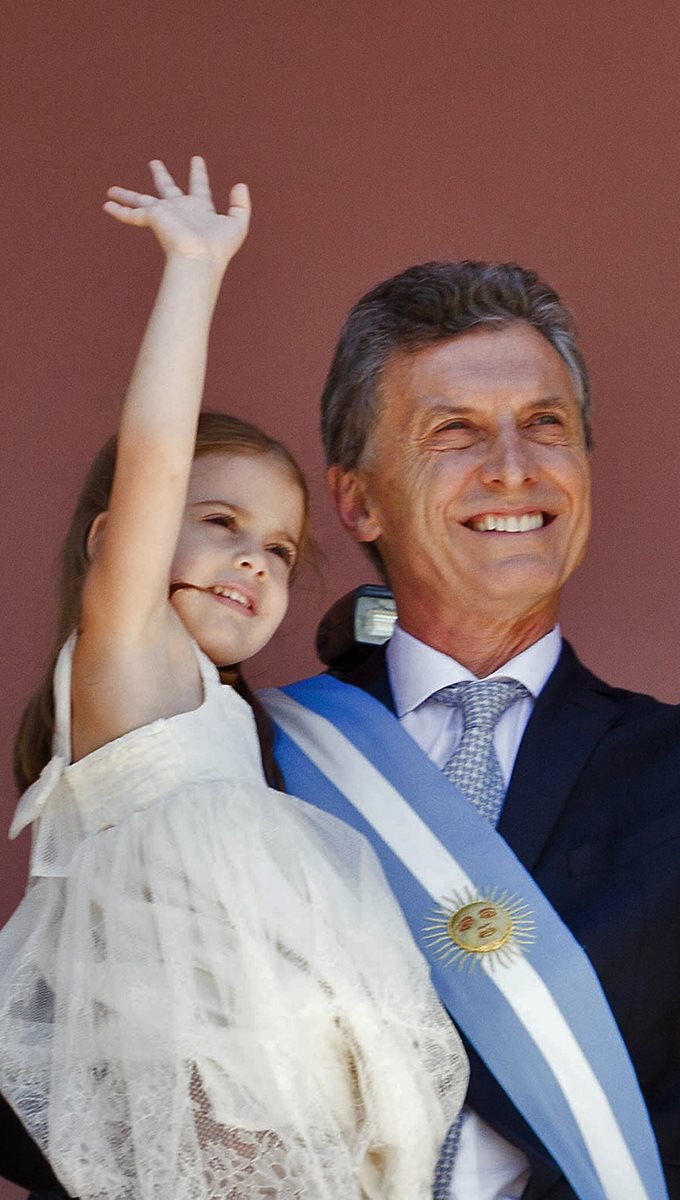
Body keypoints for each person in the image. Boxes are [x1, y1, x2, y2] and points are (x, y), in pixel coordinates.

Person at [260, 261, 680, 1200]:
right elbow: (55, 1091)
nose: (512, 466)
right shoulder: (251, 757)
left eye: (546, 424)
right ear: (357, 497)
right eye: (452, 430)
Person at [0, 162, 466, 1200]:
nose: (256, 562)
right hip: (189, 1090)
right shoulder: (132, 656)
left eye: (280, 550)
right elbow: (156, 454)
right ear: (120, 539)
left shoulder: (222, 716)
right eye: (220, 525)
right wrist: (195, 273)